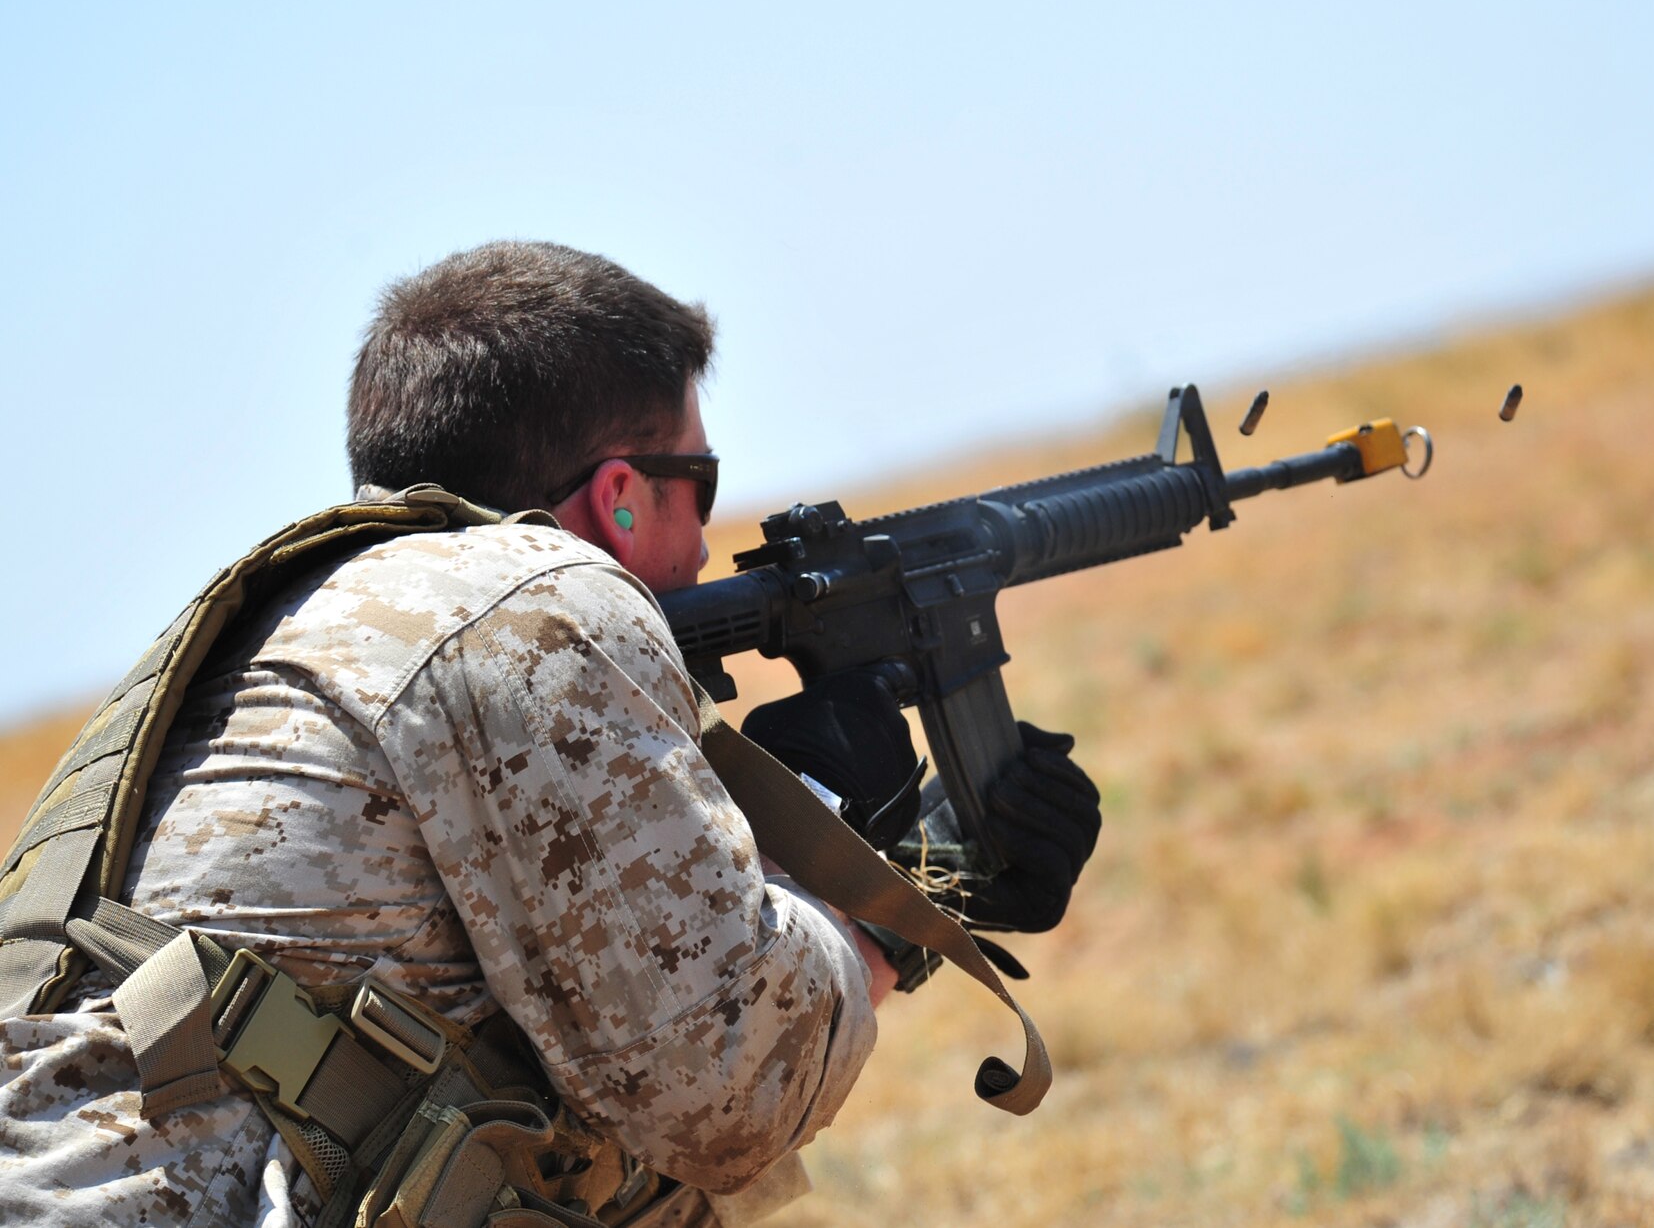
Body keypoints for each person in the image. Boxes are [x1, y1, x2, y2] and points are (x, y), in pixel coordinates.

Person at [0, 242, 1100, 1227]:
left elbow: (605, 1070)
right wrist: (841, 846)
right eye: (699, 483)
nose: (706, 542)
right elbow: (727, 1095)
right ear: (620, 493)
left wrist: (888, 888)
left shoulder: (311, 615)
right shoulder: (536, 600)